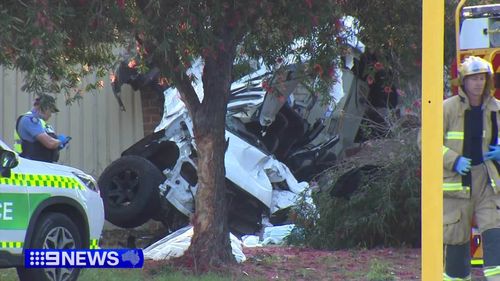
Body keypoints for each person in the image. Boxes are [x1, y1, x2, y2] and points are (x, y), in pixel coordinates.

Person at [443, 56, 500, 281]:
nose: (478, 83)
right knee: (457, 237)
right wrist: (453, 159)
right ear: (463, 82)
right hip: (458, 182)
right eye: (473, 78)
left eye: (482, 78)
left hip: (488, 181)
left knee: (495, 230)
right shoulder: (447, 108)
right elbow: (426, 141)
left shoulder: (496, 109)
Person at [14, 94, 71, 163]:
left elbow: (43, 145)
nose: (50, 115)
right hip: (31, 165)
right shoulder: (29, 120)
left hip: (41, 164)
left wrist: (57, 145)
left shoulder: (40, 122)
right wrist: (60, 141)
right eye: (50, 111)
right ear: (44, 107)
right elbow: (50, 143)